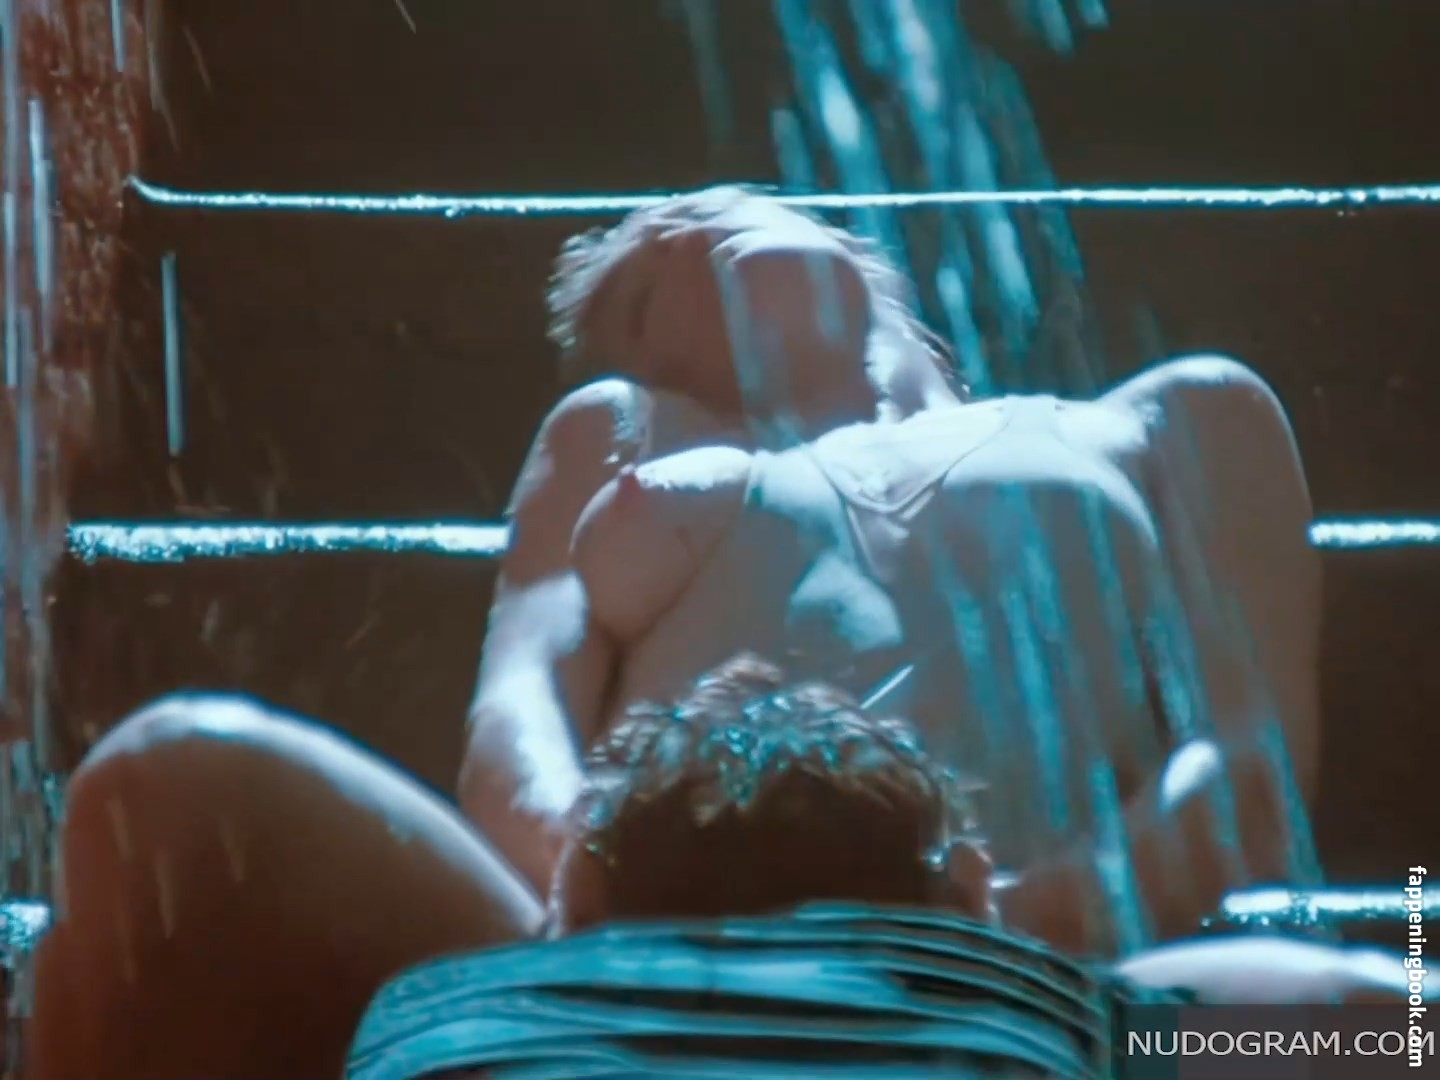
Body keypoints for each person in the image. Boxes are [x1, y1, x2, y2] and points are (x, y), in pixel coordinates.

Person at [463, 185, 1321, 951]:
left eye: (719, 207)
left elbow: (1253, 757)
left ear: (854, 252)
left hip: (1037, 967)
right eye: (643, 298)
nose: (682, 233)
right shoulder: (627, 431)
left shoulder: (1180, 415)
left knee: (1381, 1022)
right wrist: (609, 880)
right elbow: (518, 710)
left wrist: (1010, 920)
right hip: (686, 951)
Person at [351, 656, 1399, 1080]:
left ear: (578, 895)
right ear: (972, 899)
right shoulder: (1033, 1008)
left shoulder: (442, 1020)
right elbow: (1393, 1024)